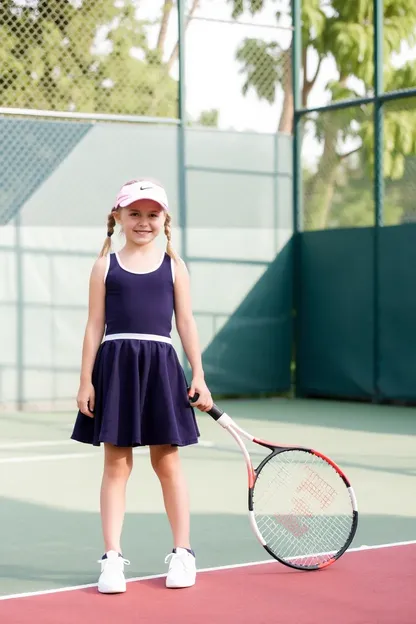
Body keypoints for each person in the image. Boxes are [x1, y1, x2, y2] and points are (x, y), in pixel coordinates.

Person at [71, 178, 213, 594]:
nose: (144, 222)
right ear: (117, 216)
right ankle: (112, 560)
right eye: (135, 213)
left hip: (160, 368)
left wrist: (199, 376)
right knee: (116, 464)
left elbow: (185, 322)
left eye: (153, 214)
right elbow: (94, 324)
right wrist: (85, 380)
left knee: (167, 463)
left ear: (164, 219)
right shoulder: (104, 266)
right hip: (115, 370)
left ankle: (183, 553)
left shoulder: (175, 267)